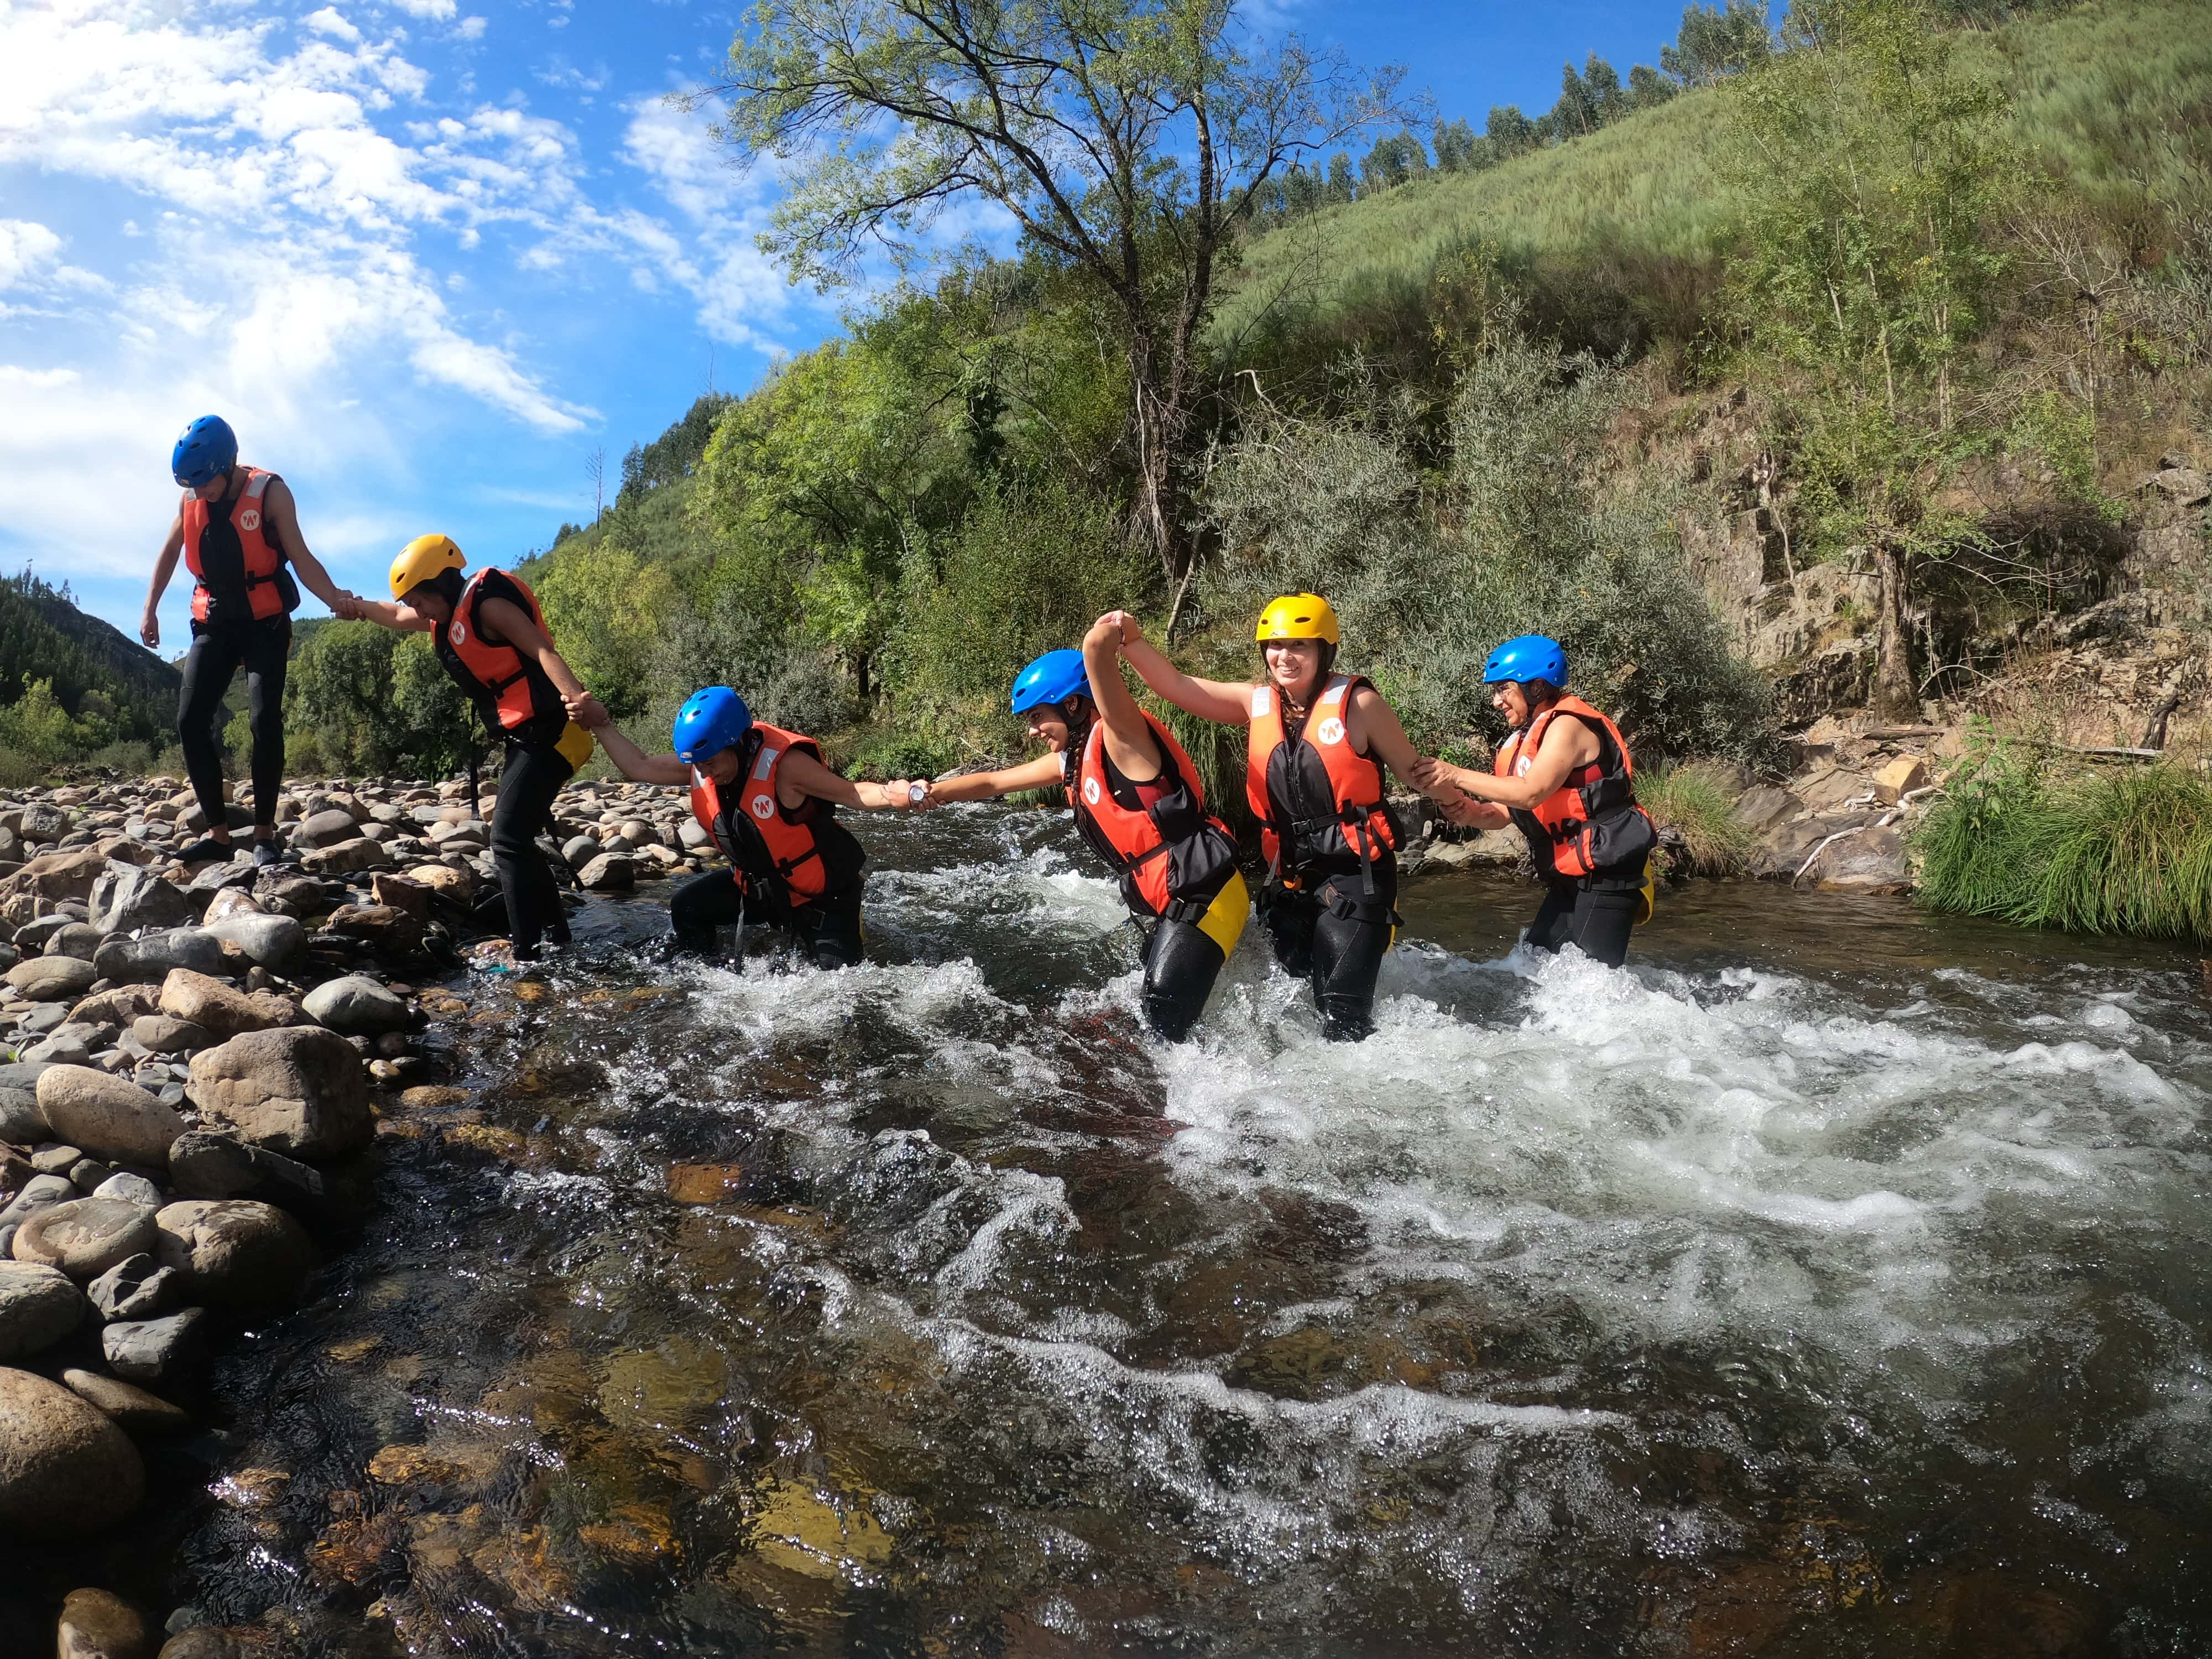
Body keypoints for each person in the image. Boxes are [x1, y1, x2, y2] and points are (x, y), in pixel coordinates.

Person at [1106, 594, 1448, 1041]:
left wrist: (1465, 804)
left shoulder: (1359, 705)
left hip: (1355, 877)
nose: (1284, 657)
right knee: (1290, 1007)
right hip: (1288, 880)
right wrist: (1130, 641)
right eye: (1274, 645)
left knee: (1342, 1016)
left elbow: (1414, 771)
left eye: (1299, 646)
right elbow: (1177, 686)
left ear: (1325, 651)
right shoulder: (1256, 703)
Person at [924, 620, 1250, 1041]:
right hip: (1179, 899)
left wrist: (1104, 637)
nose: (1032, 730)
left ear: (1074, 706)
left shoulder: (1123, 739)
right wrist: (931, 792)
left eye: (1038, 715)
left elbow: (1102, 671)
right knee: (1144, 1019)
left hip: (1207, 894)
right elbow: (992, 783)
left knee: (1162, 1021)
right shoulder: (1076, 761)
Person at [341, 535, 601, 961]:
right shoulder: (443, 616)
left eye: (420, 600)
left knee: (507, 839)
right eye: (414, 603)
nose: (418, 610)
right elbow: (391, 613)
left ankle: (525, 955)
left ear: (441, 583)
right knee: (517, 838)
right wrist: (356, 606)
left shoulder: (488, 606)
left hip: (554, 731)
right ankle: (559, 937)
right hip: (526, 737)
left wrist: (577, 697)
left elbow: (541, 649)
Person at [570, 686, 922, 968]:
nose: (703, 773)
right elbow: (641, 766)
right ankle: (708, 979)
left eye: (710, 763)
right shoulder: (702, 764)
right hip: (760, 889)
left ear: (735, 742)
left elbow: (852, 793)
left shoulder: (787, 768)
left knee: (843, 988)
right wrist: (601, 725)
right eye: (698, 765)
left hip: (823, 897)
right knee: (687, 907)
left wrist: (896, 794)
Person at [141, 415, 352, 867]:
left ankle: (264, 834)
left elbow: (300, 556)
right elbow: (171, 551)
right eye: (192, 486)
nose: (201, 493)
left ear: (228, 463)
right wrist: (150, 607)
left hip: (265, 622)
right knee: (191, 721)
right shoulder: (193, 495)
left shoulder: (270, 492)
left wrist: (335, 597)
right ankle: (218, 836)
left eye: (207, 484)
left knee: (263, 720)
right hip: (214, 622)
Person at [1410, 634, 1655, 969]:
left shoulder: (1567, 726)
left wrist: (1453, 774)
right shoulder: (1523, 739)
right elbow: (1505, 811)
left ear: (1537, 688)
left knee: (1592, 984)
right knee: (1532, 965)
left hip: (1609, 867)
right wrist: (1469, 812)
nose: (1496, 701)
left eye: (1503, 689)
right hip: (1572, 872)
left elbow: (1531, 792)